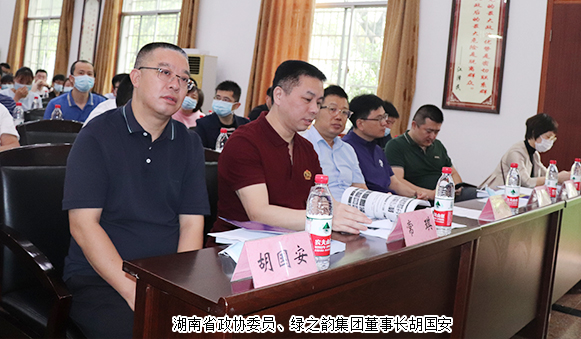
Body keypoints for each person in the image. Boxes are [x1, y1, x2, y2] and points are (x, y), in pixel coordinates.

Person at [63, 42, 209, 338]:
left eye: (184, 79)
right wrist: (133, 291)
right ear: (136, 77)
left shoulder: (189, 143)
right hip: (102, 278)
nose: (175, 84)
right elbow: (83, 225)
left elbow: (191, 223)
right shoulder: (97, 135)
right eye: (164, 72)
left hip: (165, 277)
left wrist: (180, 288)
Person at [215, 60, 370, 234]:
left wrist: (356, 217)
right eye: (307, 100)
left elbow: (325, 202)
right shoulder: (244, 143)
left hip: (293, 242)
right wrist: (324, 218)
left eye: (319, 103)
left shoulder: (306, 148)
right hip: (239, 245)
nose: (314, 110)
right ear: (279, 95)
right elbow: (259, 213)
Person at [342, 94, 427, 198]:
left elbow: (393, 183)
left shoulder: (377, 149)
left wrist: (415, 194)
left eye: (384, 117)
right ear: (360, 124)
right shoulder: (346, 148)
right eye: (378, 119)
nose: (384, 123)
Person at [385, 105, 465, 200]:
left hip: (445, 197)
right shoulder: (395, 145)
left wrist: (454, 187)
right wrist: (431, 194)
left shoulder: (438, 145)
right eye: (429, 131)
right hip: (420, 199)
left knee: (475, 196)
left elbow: (453, 173)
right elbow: (397, 181)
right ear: (414, 125)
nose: (432, 136)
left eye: (436, 132)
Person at [480, 113, 571, 189]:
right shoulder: (516, 152)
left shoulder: (534, 154)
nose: (550, 141)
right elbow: (526, 182)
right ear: (534, 133)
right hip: (495, 194)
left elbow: (545, 173)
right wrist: (557, 178)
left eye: (552, 139)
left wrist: (565, 176)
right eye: (548, 137)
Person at [195, 80, 249, 149]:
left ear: (236, 106)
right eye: (218, 98)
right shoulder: (203, 124)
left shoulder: (245, 125)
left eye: (226, 100)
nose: (220, 102)